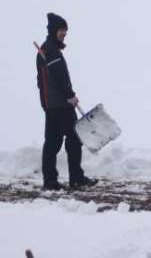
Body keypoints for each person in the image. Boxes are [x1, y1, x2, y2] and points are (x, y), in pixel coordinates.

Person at [37, 13, 97, 191]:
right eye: (62, 30)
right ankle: (51, 181)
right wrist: (70, 94)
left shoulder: (51, 49)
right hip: (57, 105)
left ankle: (75, 178)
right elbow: (59, 77)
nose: (64, 33)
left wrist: (68, 96)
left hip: (60, 103)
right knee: (54, 142)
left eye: (65, 31)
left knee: (72, 139)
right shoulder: (49, 50)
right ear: (54, 30)